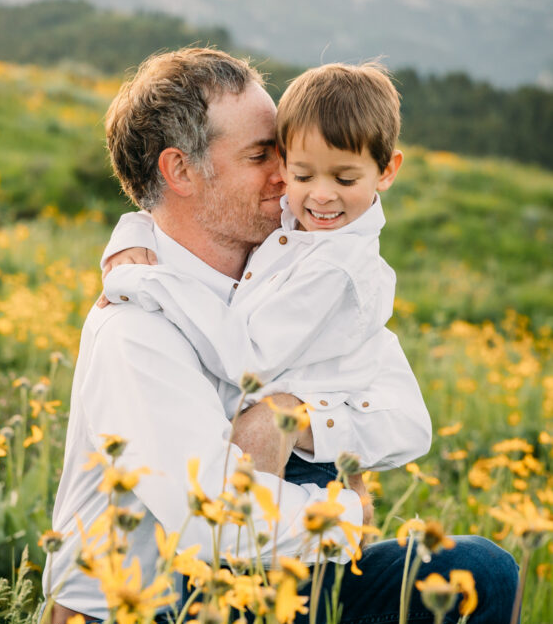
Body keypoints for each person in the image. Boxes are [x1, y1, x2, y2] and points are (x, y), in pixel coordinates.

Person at [33, 48, 518, 624]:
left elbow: (400, 411)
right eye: (267, 153)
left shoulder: (296, 272)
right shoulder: (136, 321)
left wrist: (297, 416)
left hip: (264, 602)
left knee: (478, 571)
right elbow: (209, 527)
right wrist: (345, 515)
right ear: (180, 171)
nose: (290, 177)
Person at [100, 62, 424, 484]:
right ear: (179, 171)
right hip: (202, 522)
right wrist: (130, 234)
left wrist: (149, 281)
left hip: (307, 469)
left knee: (476, 555)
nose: (310, 191)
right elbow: (203, 514)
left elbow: (408, 423)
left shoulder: (336, 265)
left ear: (386, 172)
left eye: (344, 178)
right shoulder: (135, 329)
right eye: (296, 169)